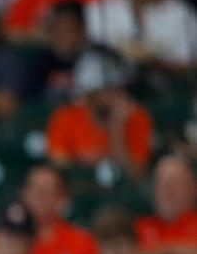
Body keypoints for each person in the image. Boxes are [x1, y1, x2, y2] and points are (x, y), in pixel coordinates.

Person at [45, 48, 153, 177]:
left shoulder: (137, 116)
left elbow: (134, 175)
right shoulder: (66, 115)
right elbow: (58, 167)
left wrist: (117, 127)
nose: (117, 96)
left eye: (119, 89)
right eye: (108, 90)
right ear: (90, 94)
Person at [21, 163, 101, 254]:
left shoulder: (81, 242)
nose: (40, 197)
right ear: (24, 193)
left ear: (61, 196)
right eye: (35, 189)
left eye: (48, 191)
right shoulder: (5, 239)